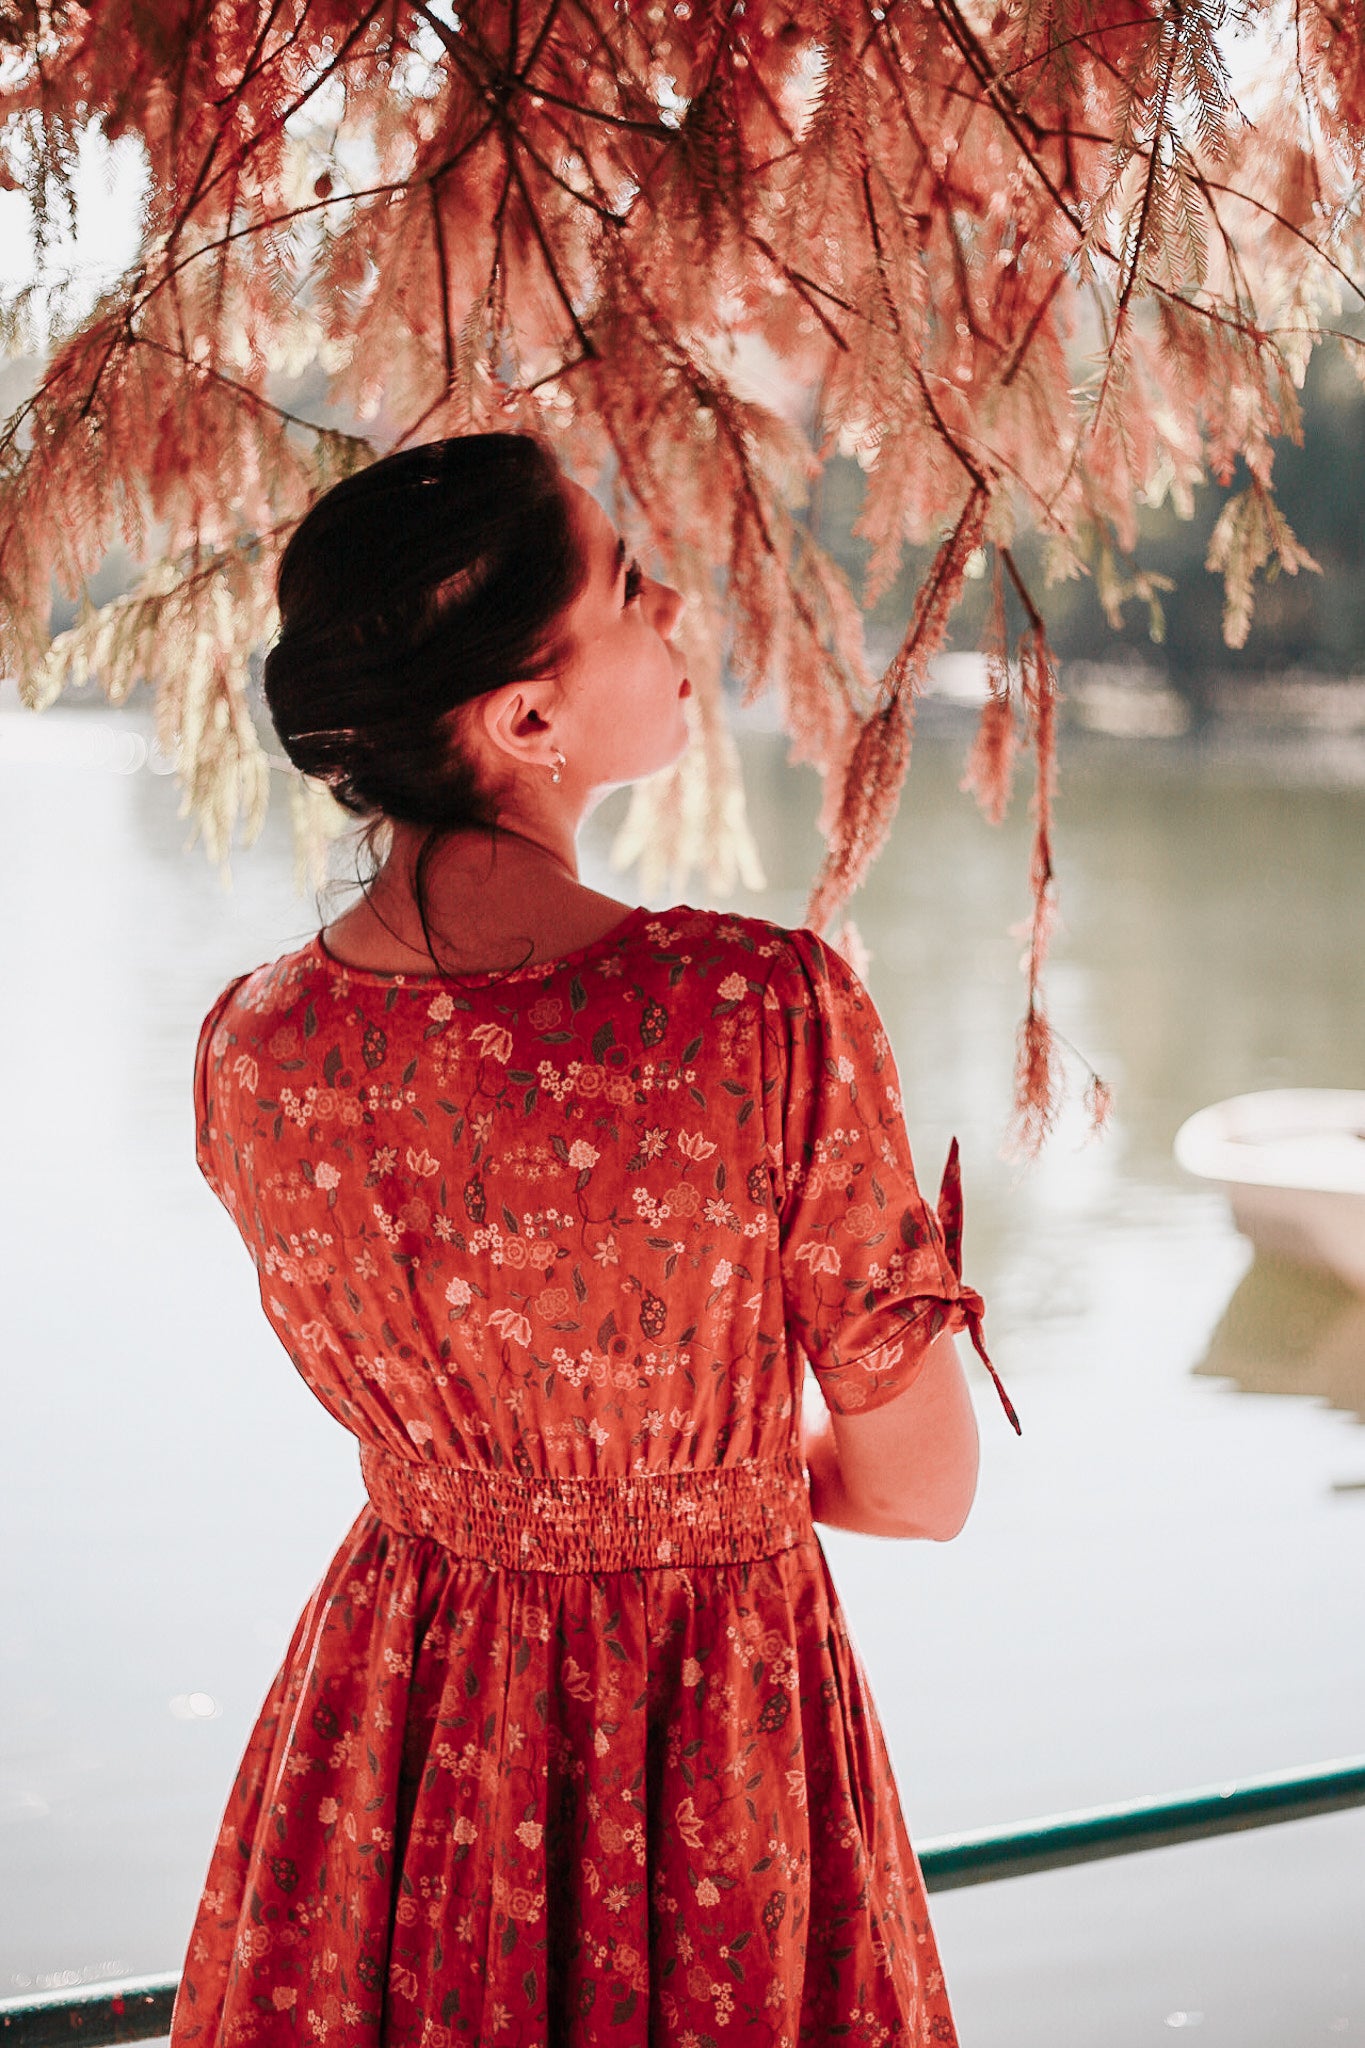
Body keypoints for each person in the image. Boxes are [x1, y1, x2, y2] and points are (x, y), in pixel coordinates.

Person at [170, 432, 1017, 2048]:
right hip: (709, 1728)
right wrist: (701, 1487)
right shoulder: (757, 1010)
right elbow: (921, 1491)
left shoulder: (251, 1046)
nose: (674, 603)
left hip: (394, 1728)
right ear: (525, 720)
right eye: (627, 586)